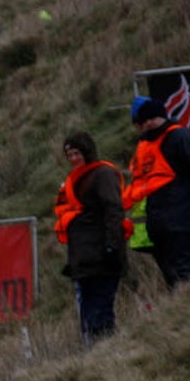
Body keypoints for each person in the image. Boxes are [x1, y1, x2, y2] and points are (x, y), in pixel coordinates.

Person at [51, 131, 127, 342]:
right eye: (70, 155)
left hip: (101, 256)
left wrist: (112, 246)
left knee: (100, 312)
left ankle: (104, 351)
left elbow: (113, 211)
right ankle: (96, 352)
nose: (74, 159)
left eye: (77, 153)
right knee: (88, 313)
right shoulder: (74, 180)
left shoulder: (102, 174)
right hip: (83, 258)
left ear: (87, 152)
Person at [126, 97, 190, 289]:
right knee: (172, 278)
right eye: (140, 123)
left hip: (180, 221)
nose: (144, 125)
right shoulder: (144, 145)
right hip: (157, 224)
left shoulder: (179, 137)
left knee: (183, 274)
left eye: (146, 120)